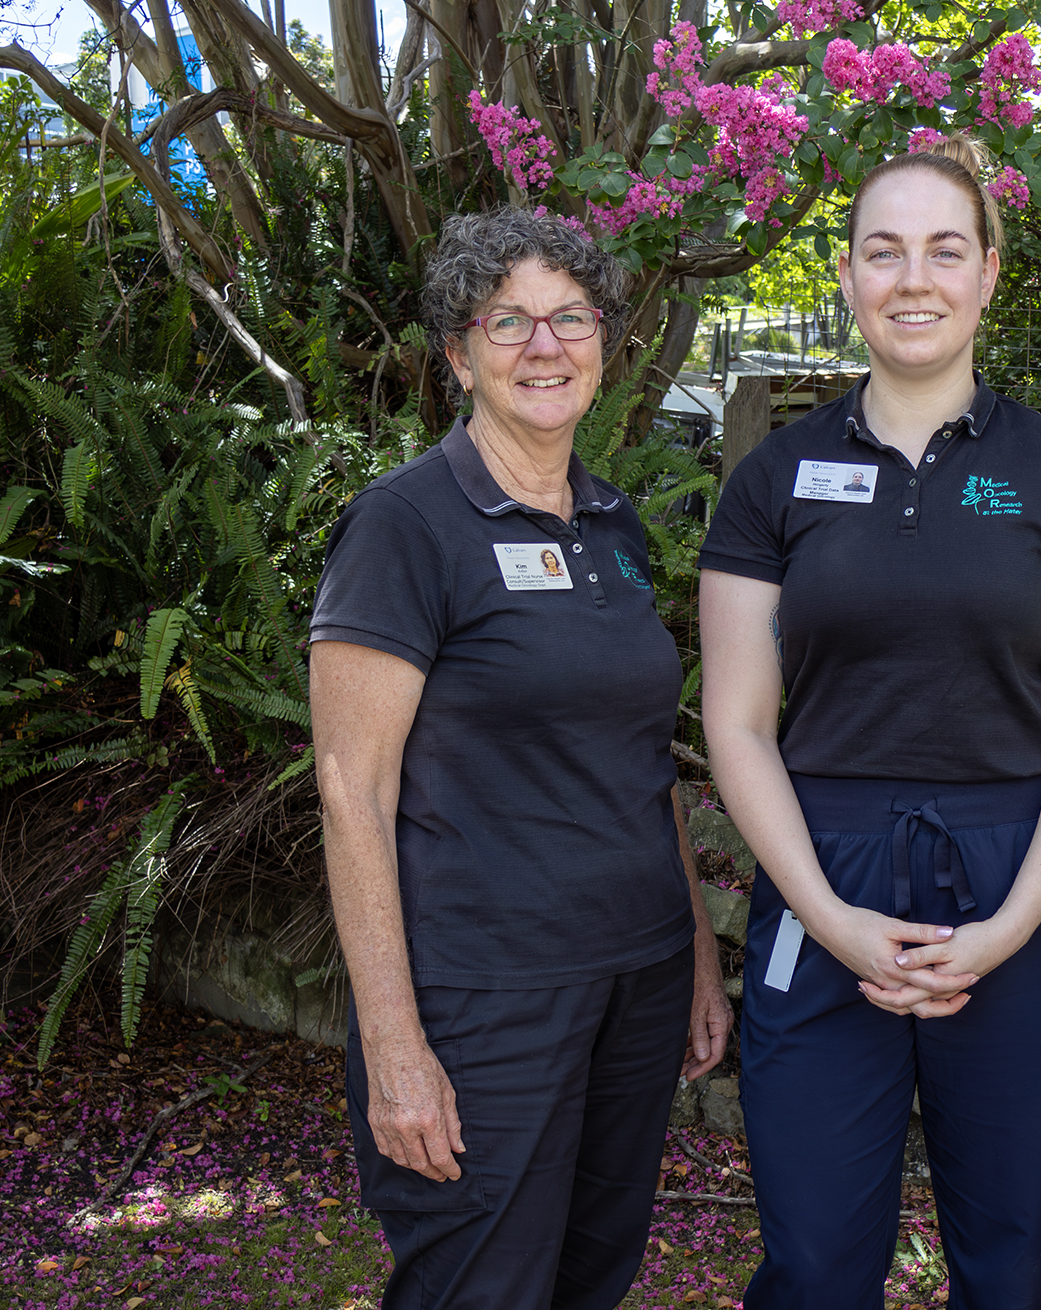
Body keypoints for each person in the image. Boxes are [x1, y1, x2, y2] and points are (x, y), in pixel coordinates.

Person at [698, 135, 1041, 1310]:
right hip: (820, 871)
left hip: (1021, 876)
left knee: (1010, 1265)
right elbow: (737, 725)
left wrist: (1006, 927)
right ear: (847, 274)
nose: (913, 278)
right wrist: (828, 915)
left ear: (987, 273)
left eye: (945, 250)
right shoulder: (773, 477)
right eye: (883, 250)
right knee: (811, 1264)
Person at [310, 206, 733, 1310]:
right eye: (508, 321)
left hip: (636, 980)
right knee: (480, 1285)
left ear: (603, 344)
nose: (545, 346)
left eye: (570, 318)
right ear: (459, 355)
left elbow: (643, 760)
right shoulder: (404, 527)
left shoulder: (614, 525)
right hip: (485, 1000)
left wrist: (694, 954)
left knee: (593, 1275)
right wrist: (394, 1044)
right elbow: (353, 792)